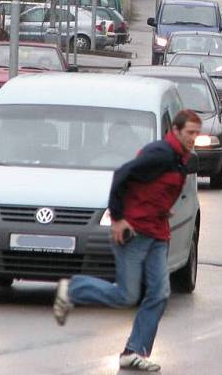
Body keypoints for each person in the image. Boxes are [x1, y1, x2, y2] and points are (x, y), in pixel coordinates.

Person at [53, 109, 202, 372]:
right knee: (127, 295)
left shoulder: (179, 159)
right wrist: (119, 218)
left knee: (159, 293)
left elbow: (151, 189)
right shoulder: (160, 154)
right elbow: (122, 175)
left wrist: (162, 208)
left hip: (157, 233)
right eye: (190, 133)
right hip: (133, 232)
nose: (194, 138)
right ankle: (73, 289)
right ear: (176, 131)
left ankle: (134, 352)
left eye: (196, 133)